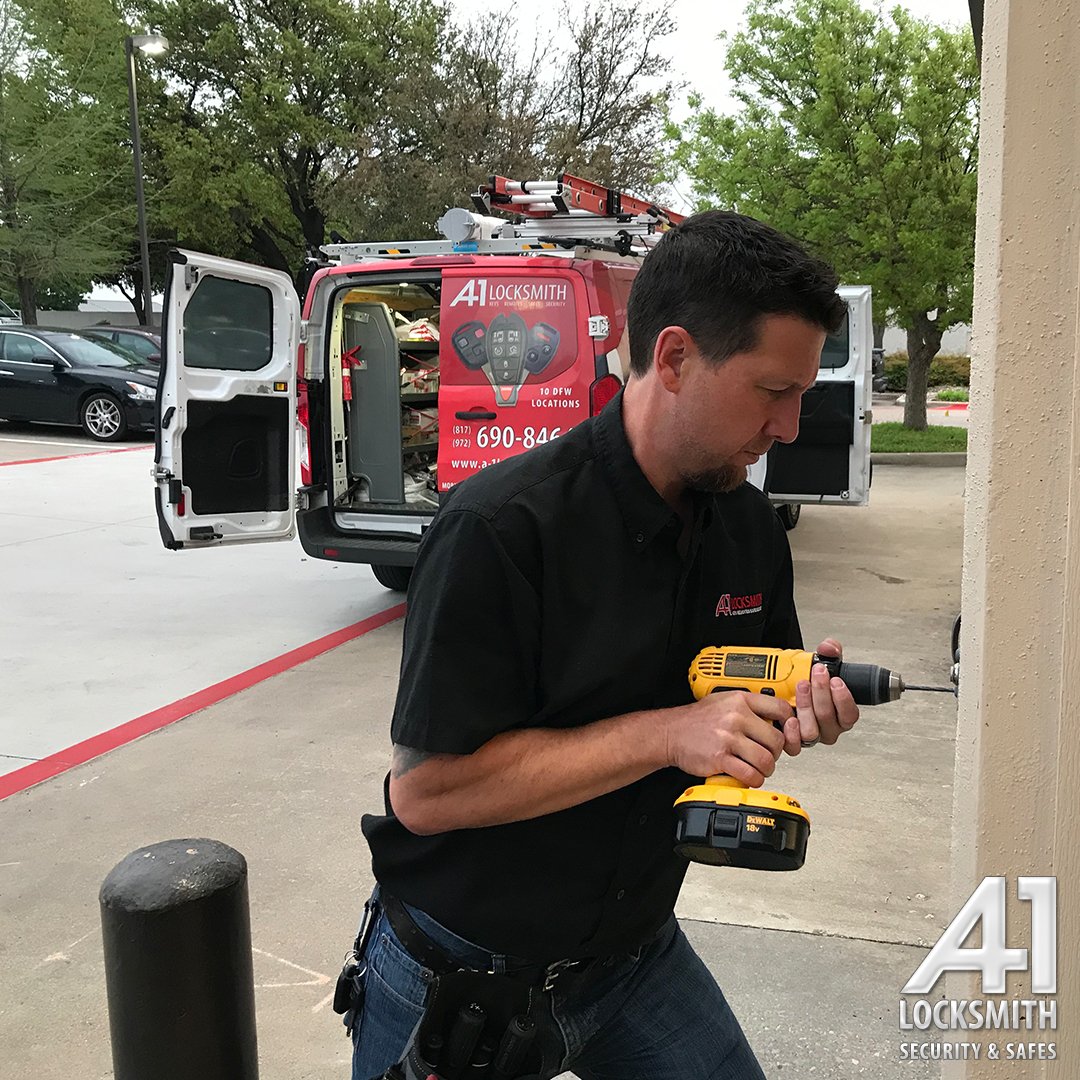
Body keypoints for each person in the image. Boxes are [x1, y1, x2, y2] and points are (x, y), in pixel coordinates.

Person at [350, 210, 858, 1080]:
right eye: (774, 390)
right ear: (675, 358)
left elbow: (751, 694)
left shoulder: (749, 530)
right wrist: (670, 733)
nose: (790, 425)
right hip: (460, 975)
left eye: (802, 394)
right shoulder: (500, 529)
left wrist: (796, 708)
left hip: (633, 956)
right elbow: (425, 794)